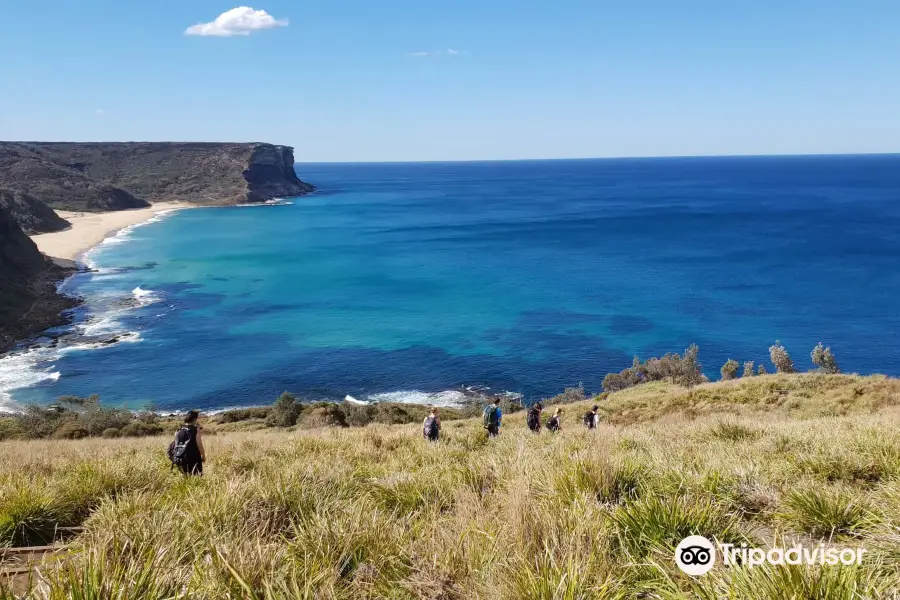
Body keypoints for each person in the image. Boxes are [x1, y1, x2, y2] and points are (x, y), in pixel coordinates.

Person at [168, 410, 206, 476]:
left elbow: (177, 444)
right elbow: (199, 445)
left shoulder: (178, 430)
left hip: (181, 458)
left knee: (185, 476)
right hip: (194, 457)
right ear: (195, 419)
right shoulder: (196, 430)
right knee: (197, 477)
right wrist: (203, 456)